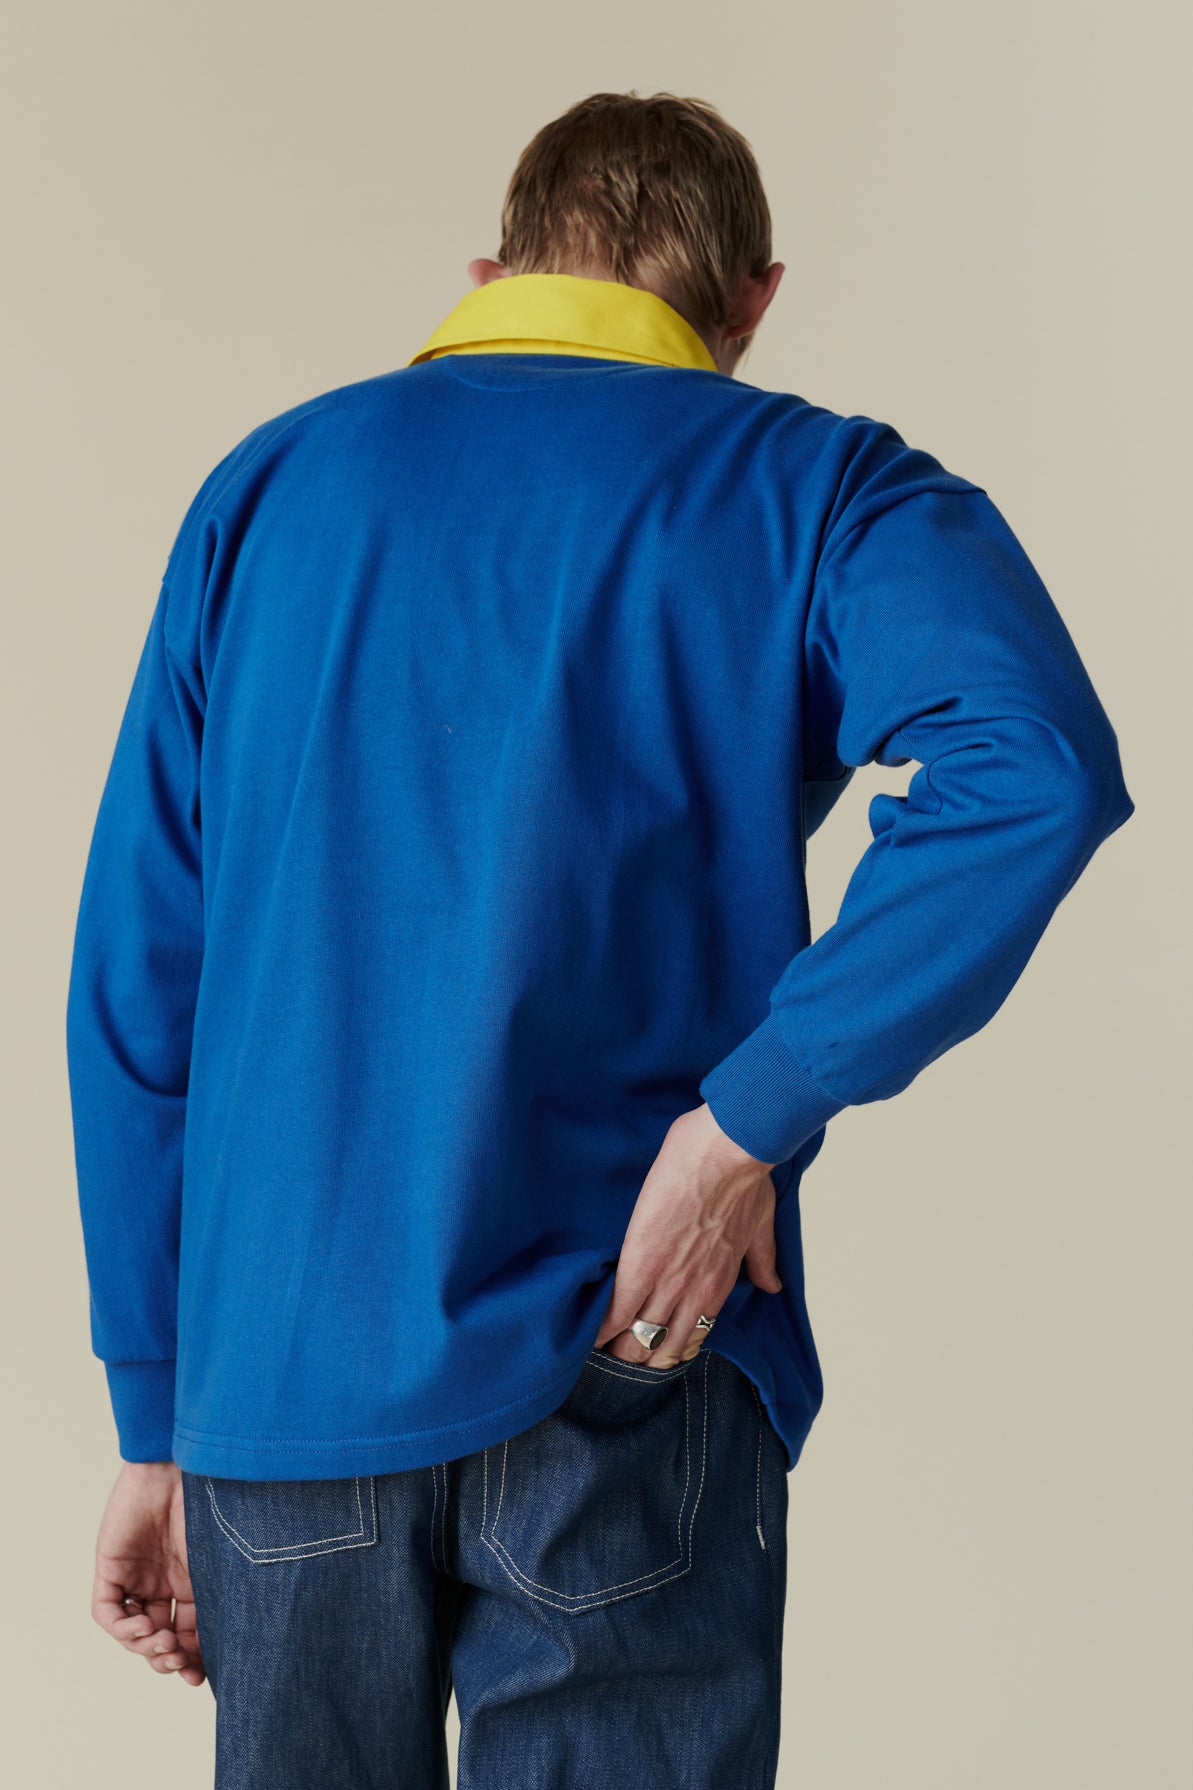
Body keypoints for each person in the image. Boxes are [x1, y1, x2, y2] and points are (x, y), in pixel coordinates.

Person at [66, 89, 1135, 1789]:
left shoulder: (266, 489)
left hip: (278, 1386)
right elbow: (1037, 768)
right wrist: (743, 1127)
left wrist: (153, 1409)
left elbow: (137, 975)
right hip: (630, 1340)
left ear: (491, 268)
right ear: (753, 300)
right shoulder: (815, 483)